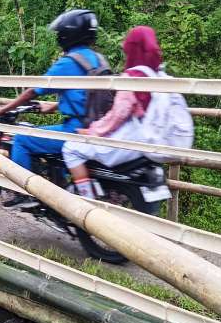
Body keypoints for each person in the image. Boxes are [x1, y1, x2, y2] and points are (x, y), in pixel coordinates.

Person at [0, 9, 106, 208]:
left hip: (75, 130)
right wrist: (57, 105)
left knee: (22, 138)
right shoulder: (99, 60)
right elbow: (89, 94)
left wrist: (3, 109)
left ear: (67, 35)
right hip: (99, 127)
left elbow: (33, 91)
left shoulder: (69, 62)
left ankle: (24, 193)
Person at [63, 26, 163, 198]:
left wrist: (93, 130)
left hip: (130, 141)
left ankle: (84, 204)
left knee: (70, 149)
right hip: (153, 140)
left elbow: (116, 117)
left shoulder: (132, 78)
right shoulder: (161, 76)